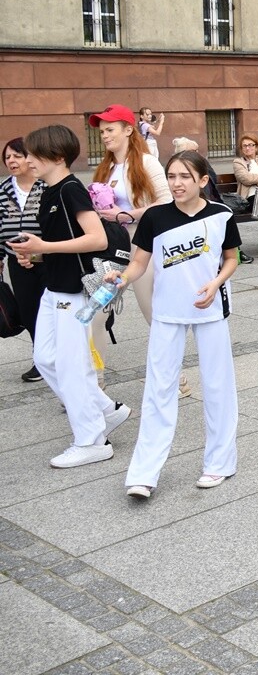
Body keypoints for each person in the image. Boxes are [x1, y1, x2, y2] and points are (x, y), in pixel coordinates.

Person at [113, 151, 241, 498]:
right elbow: (139, 262)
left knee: (218, 387)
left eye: (185, 176)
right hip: (167, 312)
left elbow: (231, 258)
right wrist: (121, 279)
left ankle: (220, 463)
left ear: (202, 180)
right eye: (171, 176)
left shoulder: (221, 215)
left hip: (210, 309)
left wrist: (216, 283)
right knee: (158, 390)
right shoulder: (155, 217)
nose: (176, 183)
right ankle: (143, 474)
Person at [10, 126, 130, 468]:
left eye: (33, 154)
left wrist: (44, 247)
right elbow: (64, 244)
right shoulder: (49, 191)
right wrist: (35, 254)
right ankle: (105, 410)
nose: (28, 160)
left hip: (74, 291)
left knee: (70, 365)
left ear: (58, 156)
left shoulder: (70, 190)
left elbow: (96, 239)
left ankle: (91, 441)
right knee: (46, 358)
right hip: (54, 287)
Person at [89, 105, 172, 389]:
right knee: (95, 314)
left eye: (110, 129)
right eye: (102, 131)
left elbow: (166, 202)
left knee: (152, 313)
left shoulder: (147, 163)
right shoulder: (105, 168)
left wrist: (128, 215)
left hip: (143, 246)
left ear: (128, 129)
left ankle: (176, 378)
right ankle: (96, 383)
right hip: (112, 251)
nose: (104, 135)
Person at [1, 137, 47, 382]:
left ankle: (58, 355)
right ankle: (40, 359)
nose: (11, 161)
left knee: (52, 309)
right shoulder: (3, 190)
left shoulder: (46, 187)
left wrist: (36, 254)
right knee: (29, 310)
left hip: (49, 260)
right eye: (7, 157)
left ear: (30, 158)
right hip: (16, 262)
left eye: (17, 156)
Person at [232, 134, 258, 256]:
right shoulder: (238, 162)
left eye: (251, 145)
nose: (248, 148)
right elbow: (246, 179)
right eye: (244, 146)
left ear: (256, 147)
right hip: (249, 198)